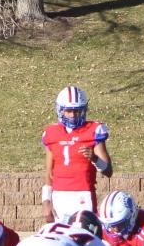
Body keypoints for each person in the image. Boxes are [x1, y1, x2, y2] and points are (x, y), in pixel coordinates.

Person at [42, 85, 112, 224]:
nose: (73, 115)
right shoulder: (51, 132)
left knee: (83, 239)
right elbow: (48, 173)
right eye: (69, 111)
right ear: (60, 110)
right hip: (58, 196)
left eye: (77, 111)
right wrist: (46, 201)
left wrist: (94, 158)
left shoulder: (93, 130)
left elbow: (108, 171)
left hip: (83, 195)